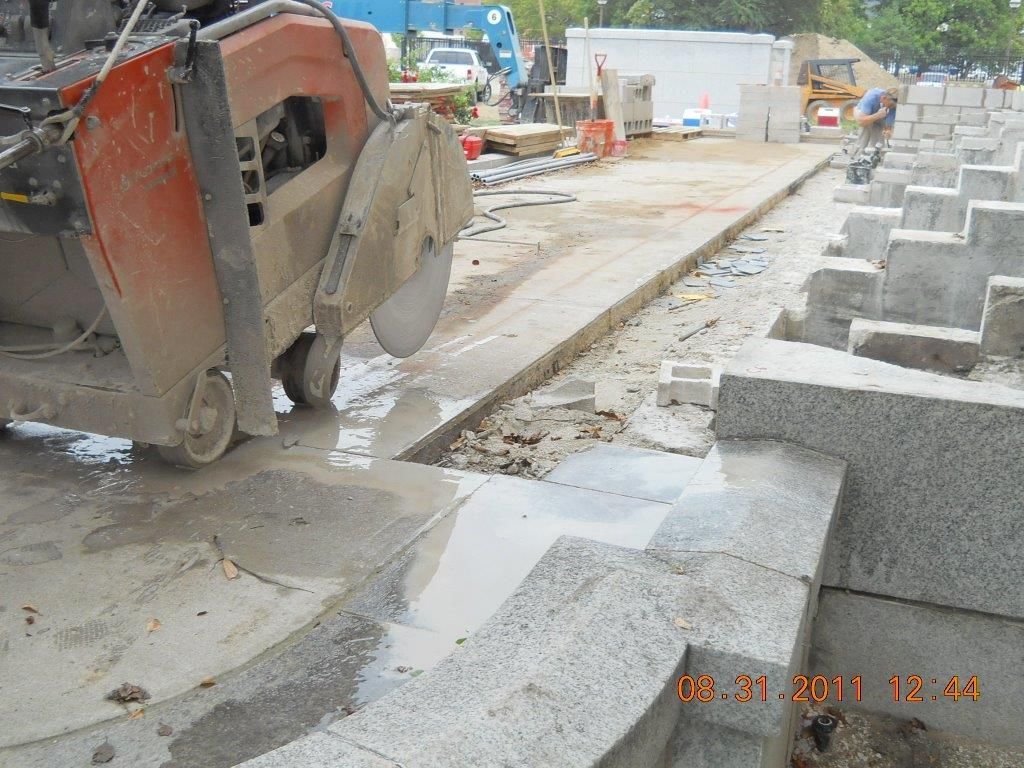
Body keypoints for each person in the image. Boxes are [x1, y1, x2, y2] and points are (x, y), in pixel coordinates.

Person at [853, 86, 899, 158]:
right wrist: (877, 116)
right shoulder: (871, 97)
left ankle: (875, 154)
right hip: (861, 115)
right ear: (883, 98)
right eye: (890, 105)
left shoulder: (893, 102)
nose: (892, 107)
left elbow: (888, 123)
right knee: (867, 126)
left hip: (878, 113)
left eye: (893, 106)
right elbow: (861, 121)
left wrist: (888, 131)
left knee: (879, 129)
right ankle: (859, 153)